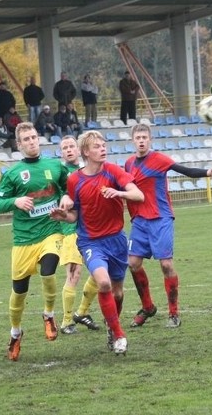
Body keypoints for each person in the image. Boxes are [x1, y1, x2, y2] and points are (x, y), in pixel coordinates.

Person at [51, 130, 144, 356]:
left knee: (118, 293)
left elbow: (138, 195)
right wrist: (64, 216)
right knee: (103, 283)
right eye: (97, 146)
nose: (103, 148)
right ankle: (119, 334)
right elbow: (75, 215)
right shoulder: (75, 180)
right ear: (86, 152)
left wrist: (119, 193)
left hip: (117, 241)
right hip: (90, 242)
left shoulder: (113, 171)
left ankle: (112, 329)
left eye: (104, 145)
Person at [124, 123, 212, 329]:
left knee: (166, 265)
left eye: (144, 137)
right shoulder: (129, 163)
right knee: (133, 263)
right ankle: (148, 307)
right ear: (133, 140)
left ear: (150, 140)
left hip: (161, 218)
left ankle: (174, 313)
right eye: (138, 137)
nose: (141, 140)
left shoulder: (159, 159)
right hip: (139, 221)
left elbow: (184, 170)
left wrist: (208, 172)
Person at [0, 122, 69, 361]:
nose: (31, 142)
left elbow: (69, 188)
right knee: (19, 292)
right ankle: (16, 333)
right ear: (19, 144)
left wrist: (66, 196)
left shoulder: (55, 165)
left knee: (49, 272)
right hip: (24, 239)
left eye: (34, 137)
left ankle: (48, 314)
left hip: (51, 232)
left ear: (39, 139)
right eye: (26, 139)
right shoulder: (12, 173)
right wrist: (15, 201)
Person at [57, 136, 99, 335]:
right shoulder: (60, 173)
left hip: (93, 229)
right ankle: (66, 322)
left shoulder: (87, 170)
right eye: (64, 148)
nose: (68, 150)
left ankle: (81, 312)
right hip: (71, 231)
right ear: (61, 153)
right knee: (74, 274)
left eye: (71, 146)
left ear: (79, 148)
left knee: (100, 272)